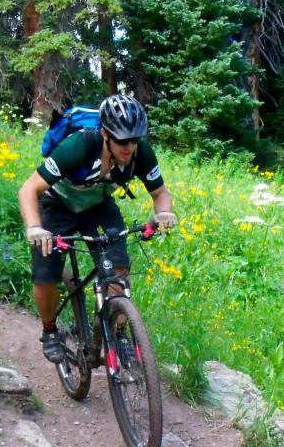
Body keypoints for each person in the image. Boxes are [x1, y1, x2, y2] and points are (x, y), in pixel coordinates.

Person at [17, 94, 178, 362]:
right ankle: (50, 331)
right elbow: (28, 189)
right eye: (121, 140)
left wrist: (164, 213)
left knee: (118, 269)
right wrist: (35, 228)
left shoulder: (141, 154)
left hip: (97, 205)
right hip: (56, 205)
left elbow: (160, 192)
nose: (129, 147)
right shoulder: (78, 146)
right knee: (46, 274)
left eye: (134, 140)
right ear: (105, 134)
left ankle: (118, 332)